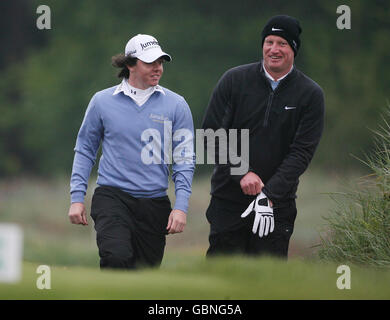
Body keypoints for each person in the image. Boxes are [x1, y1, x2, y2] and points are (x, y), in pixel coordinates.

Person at [201, 15, 325, 258]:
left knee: (267, 280)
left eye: (282, 43)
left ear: (293, 49)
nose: (274, 49)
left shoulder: (310, 94)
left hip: (276, 204)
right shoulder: (235, 80)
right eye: (269, 42)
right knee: (221, 277)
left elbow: (301, 152)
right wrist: (242, 172)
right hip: (229, 198)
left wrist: (269, 195)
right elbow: (210, 134)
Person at [68, 34, 195, 269]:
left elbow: (184, 159)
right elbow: (85, 150)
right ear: (130, 64)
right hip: (112, 196)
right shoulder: (101, 101)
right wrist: (77, 198)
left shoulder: (177, 105)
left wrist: (181, 207)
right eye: (150, 63)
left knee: (144, 274)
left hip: (154, 203)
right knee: (115, 257)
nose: (157, 68)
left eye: (160, 62)